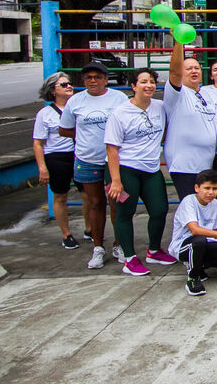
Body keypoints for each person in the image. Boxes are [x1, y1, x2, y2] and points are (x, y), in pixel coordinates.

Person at [104, 68, 176, 276]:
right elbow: (111, 149)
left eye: (152, 81)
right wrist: (116, 181)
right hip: (125, 170)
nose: (149, 85)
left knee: (160, 209)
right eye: (143, 82)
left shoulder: (160, 107)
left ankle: (154, 250)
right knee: (125, 213)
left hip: (151, 168)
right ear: (133, 86)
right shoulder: (120, 113)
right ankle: (129, 258)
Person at [59, 61, 128, 269]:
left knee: (117, 204)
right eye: (88, 77)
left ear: (106, 79)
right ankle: (98, 247)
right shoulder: (76, 101)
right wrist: (83, 138)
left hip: (114, 162)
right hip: (87, 160)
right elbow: (64, 129)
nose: (92, 80)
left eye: (97, 77)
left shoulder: (119, 98)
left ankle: (119, 244)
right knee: (95, 204)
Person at [167, 169, 217, 296]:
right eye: (207, 188)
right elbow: (194, 230)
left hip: (206, 243)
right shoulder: (189, 201)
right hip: (184, 245)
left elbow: (214, 232)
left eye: (214, 189)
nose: (211, 192)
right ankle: (193, 279)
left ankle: (200, 266)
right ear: (197, 188)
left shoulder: (215, 204)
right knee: (199, 241)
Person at [165, 38, 217, 201]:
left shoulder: (206, 93)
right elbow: (174, 72)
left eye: (197, 67)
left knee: (204, 208)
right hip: (185, 166)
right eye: (188, 69)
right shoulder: (177, 94)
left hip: (206, 164)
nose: (194, 71)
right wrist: (179, 42)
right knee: (190, 208)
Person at [33, 72, 78, 249]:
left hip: (78, 154)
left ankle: (90, 229)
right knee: (60, 195)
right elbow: (38, 143)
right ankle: (66, 234)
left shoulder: (77, 107)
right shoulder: (45, 114)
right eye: (63, 85)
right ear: (53, 91)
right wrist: (42, 167)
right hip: (57, 156)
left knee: (88, 193)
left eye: (69, 83)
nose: (69, 87)